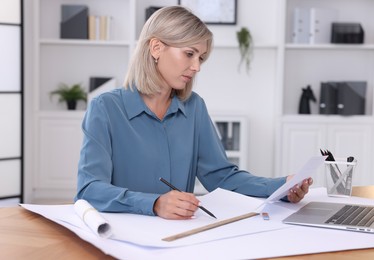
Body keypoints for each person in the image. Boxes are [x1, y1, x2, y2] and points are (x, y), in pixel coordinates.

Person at [75, 6, 313, 220]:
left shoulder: (194, 107)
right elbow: (89, 189)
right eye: (189, 54)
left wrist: (281, 186)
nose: (197, 66)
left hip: (179, 235)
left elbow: (221, 176)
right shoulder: (105, 108)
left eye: (201, 57)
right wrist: (155, 204)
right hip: (120, 236)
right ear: (156, 47)